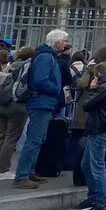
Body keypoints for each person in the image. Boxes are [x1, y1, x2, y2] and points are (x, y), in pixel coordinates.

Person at [13, 29, 67, 189]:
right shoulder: (45, 57)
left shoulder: (47, 56)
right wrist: (56, 88)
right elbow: (39, 80)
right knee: (34, 139)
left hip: (44, 102)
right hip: (41, 102)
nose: (65, 44)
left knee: (38, 138)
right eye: (64, 40)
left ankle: (29, 171)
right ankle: (22, 175)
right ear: (56, 42)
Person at [75, 57, 106, 210]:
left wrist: (92, 89)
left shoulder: (103, 88)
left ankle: (101, 200)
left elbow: (87, 105)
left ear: (99, 74)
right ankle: (95, 196)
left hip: (99, 128)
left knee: (96, 165)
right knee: (87, 164)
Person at [0, 45, 33, 179]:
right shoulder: (28, 67)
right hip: (17, 104)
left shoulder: (10, 65)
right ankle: (3, 169)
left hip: (3, 102)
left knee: (2, 136)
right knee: (11, 137)